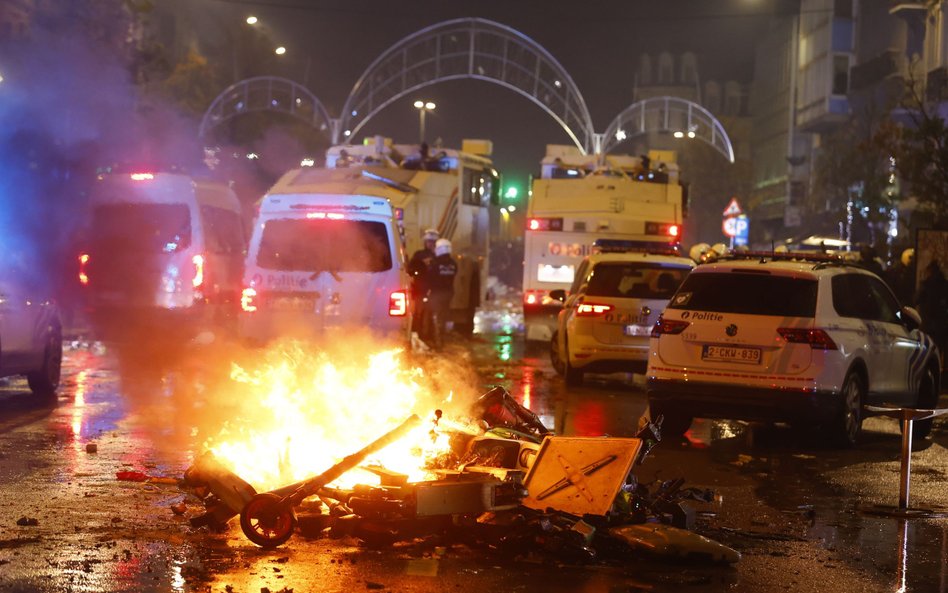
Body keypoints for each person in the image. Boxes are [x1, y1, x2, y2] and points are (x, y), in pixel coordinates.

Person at [425, 238, 458, 349]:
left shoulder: (435, 264)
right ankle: (442, 339)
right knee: (443, 316)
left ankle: (436, 341)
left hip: (436, 295)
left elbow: (429, 279)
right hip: (448, 294)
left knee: (434, 317)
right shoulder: (453, 264)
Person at [407, 228, 439, 338]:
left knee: (431, 315)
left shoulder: (439, 257)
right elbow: (411, 269)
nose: (431, 244)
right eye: (429, 242)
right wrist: (422, 264)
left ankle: (429, 336)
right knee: (418, 314)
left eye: (433, 242)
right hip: (419, 290)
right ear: (425, 242)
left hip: (433, 292)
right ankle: (416, 334)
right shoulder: (419, 255)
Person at [916, 260, 948, 359]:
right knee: (940, 350)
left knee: (927, 352)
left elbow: (916, 299)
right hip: (941, 325)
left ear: (929, 271)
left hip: (927, 324)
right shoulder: (945, 284)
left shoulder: (926, 285)